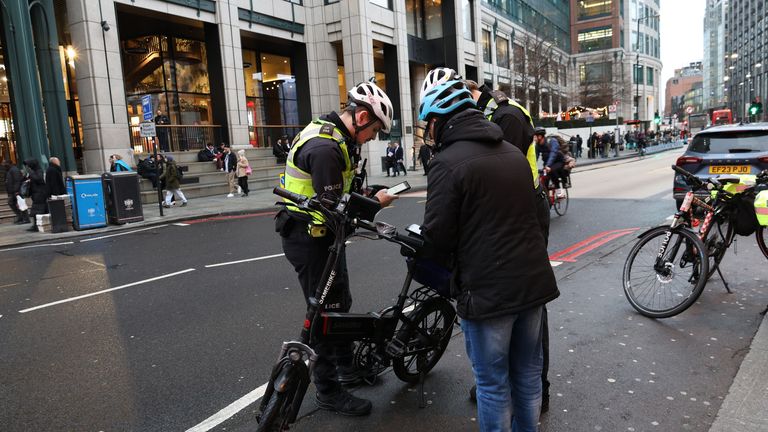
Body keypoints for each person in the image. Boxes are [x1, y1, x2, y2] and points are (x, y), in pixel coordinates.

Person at [418, 76, 559, 432]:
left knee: (493, 385)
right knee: (527, 376)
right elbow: (537, 215)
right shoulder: (512, 154)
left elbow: (437, 238)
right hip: (532, 284)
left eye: (427, 124)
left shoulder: (447, 164)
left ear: (439, 120)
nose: (427, 132)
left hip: (487, 292)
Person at [275, 81, 398, 417]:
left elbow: (341, 189)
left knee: (339, 304)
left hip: (324, 238)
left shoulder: (335, 138)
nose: (373, 136)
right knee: (323, 317)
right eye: (374, 129)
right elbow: (335, 207)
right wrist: (375, 203)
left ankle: (348, 370)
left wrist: (368, 190)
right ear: (360, 117)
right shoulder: (326, 148)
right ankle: (330, 391)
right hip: (310, 240)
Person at [535, 128, 567, 198]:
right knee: (543, 178)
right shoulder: (537, 146)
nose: (534, 138)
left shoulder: (552, 141)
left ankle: (559, 189)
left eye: (535, 136)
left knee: (552, 170)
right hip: (547, 164)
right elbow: (535, 157)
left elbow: (553, 153)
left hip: (559, 161)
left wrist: (548, 165)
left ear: (540, 136)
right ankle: (547, 199)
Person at [23, 159, 47, 232]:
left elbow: (39, 179)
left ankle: (37, 226)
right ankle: (36, 225)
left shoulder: (38, 170)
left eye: (29, 165)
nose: (28, 167)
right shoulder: (33, 171)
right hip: (35, 193)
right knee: (36, 210)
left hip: (40, 193)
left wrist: (31, 173)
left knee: (37, 210)